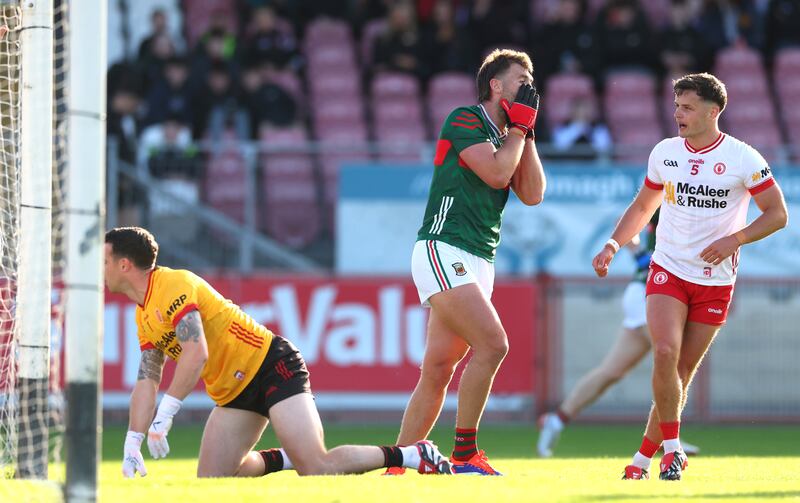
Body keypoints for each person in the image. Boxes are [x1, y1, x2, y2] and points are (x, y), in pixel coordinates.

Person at [106, 227, 454, 478]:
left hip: (271, 366)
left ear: (125, 265)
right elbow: (147, 379)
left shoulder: (172, 285)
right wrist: (133, 441)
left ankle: (411, 454)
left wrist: (166, 414)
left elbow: (196, 353)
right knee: (214, 482)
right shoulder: (143, 313)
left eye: (103, 259)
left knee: (317, 467)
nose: (99, 267)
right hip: (233, 393)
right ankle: (288, 457)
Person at [591, 73, 788, 480]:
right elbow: (644, 206)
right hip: (668, 268)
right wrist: (613, 244)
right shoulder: (664, 153)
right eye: (676, 105)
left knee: (680, 370)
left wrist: (736, 239)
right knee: (664, 352)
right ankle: (675, 448)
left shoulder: (743, 158)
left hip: (715, 280)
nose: (677, 113)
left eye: (687, 106)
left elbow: (777, 214)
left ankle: (643, 459)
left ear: (712, 111)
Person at [386, 48, 546, 476]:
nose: (528, 85)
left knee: (438, 369)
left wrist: (525, 133)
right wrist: (517, 130)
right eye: (520, 78)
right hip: (444, 247)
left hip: (479, 257)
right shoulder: (464, 119)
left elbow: (532, 194)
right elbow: (496, 175)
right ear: (495, 85)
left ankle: (398, 465)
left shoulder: (512, 134)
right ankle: (463, 454)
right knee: (494, 344)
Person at [537, 210, 699, 458]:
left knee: (610, 372)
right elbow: (630, 218)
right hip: (650, 294)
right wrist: (638, 251)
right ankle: (669, 439)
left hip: (641, 294)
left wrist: (638, 252)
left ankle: (556, 420)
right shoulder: (673, 196)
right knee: (673, 365)